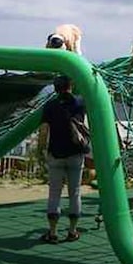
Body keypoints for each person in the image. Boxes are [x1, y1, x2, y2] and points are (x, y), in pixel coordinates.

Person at [38, 74, 88, 242]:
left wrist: (41, 150)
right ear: (71, 86)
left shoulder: (50, 106)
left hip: (56, 154)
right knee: (75, 192)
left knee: (54, 193)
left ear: (55, 88)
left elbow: (44, 131)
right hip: (76, 153)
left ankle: (52, 232)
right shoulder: (80, 103)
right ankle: (72, 231)